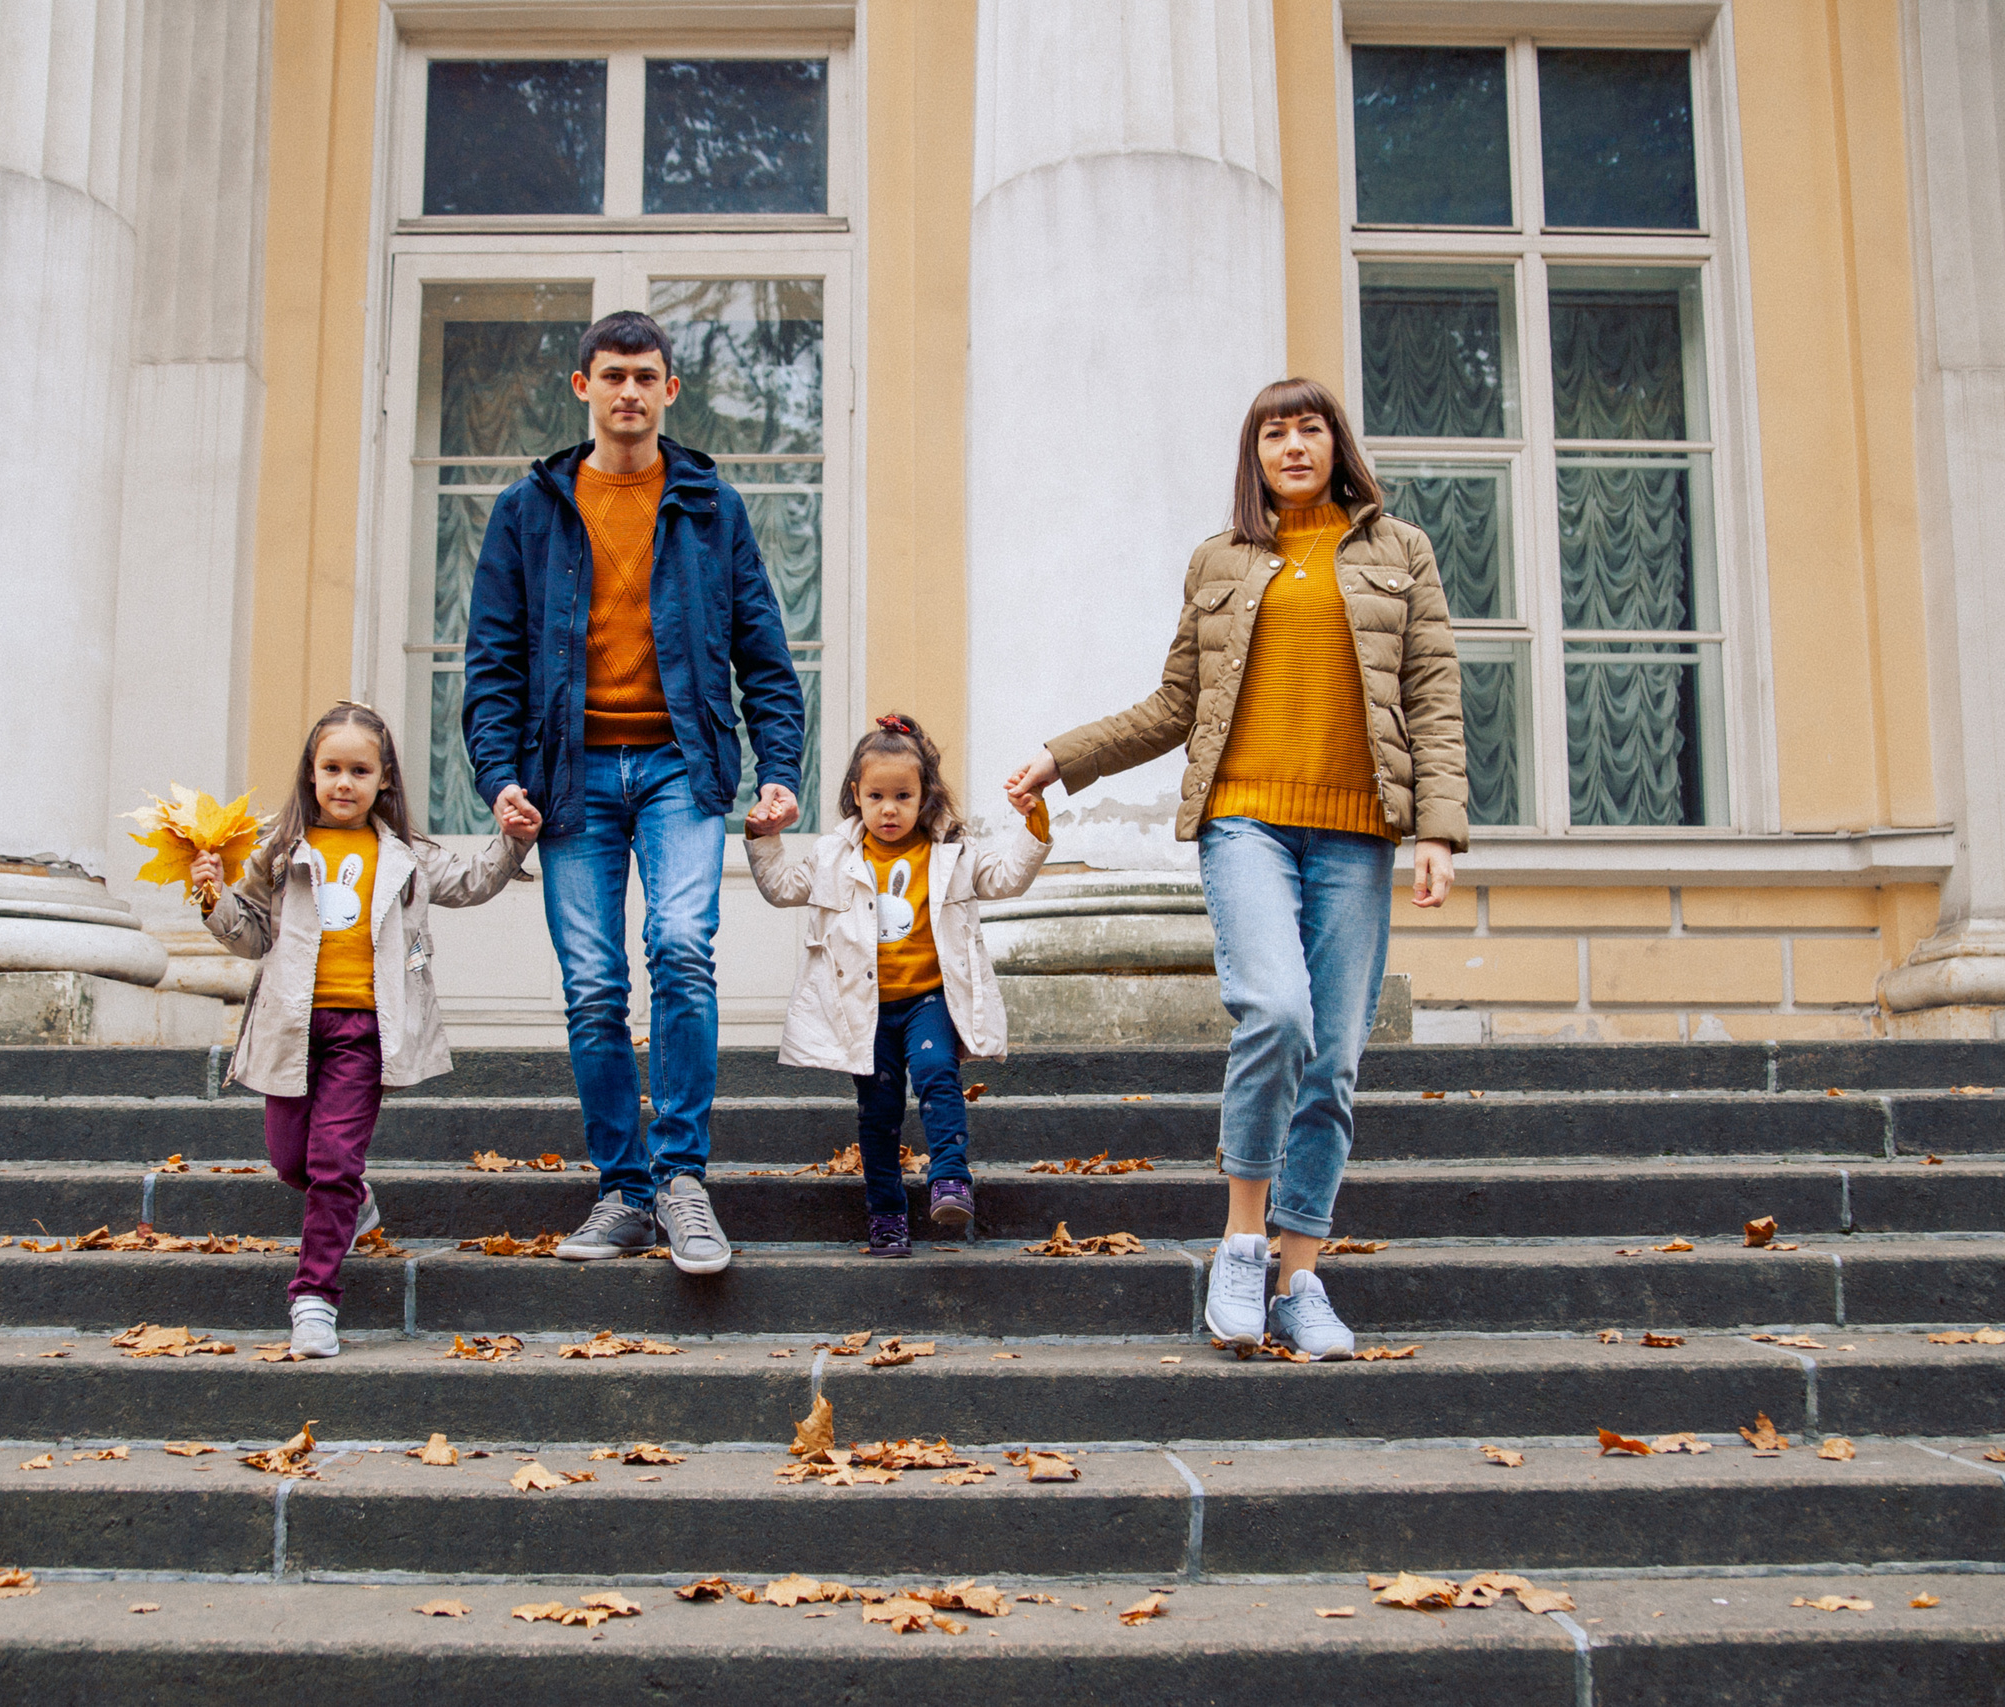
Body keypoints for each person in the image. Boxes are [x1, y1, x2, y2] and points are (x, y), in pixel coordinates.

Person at [1006, 377, 1466, 1360]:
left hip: (1357, 831)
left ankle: (1301, 1278)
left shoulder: (1399, 553)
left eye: (1309, 428)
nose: (1292, 445)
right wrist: (1067, 755)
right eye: (1273, 431)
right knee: (1277, 1011)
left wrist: (1438, 831)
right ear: (1253, 454)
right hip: (1245, 820)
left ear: (1335, 444)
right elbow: (1177, 705)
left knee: (1333, 1060)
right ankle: (1243, 1240)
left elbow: (1431, 694)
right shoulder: (1220, 561)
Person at [463, 310, 808, 1275]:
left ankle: (682, 1180)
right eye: (610, 374)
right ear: (581, 387)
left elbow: (765, 660)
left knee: (682, 950)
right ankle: (621, 1189)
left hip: (678, 766)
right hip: (568, 779)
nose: (628, 391)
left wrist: (778, 769)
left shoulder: (709, 505)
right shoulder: (529, 510)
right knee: (594, 985)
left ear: (670, 390)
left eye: (645, 375)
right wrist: (499, 780)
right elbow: (491, 662)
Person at [195, 703, 537, 1359]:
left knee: (333, 1161)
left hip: (365, 1031)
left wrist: (512, 840)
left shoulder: (404, 855)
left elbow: (470, 881)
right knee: (291, 1159)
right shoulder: (278, 850)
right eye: (331, 768)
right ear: (311, 773)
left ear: (384, 779)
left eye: (359, 769)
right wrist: (214, 900)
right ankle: (355, 1203)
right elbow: (252, 934)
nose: (343, 782)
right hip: (292, 1028)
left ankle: (314, 1298)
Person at [746, 714, 1052, 1254]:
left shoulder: (952, 851)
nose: (890, 809)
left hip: (929, 997)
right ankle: (887, 1214)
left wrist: (1034, 827)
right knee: (879, 1112)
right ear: (856, 796)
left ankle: (951, 1179)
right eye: (877, 796)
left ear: (925, 797)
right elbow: (781, 888)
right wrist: (763, 836)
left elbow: (1006, 879)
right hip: (866, 1010)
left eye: (904, 796)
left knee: (937, 1070)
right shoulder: (833, 855)